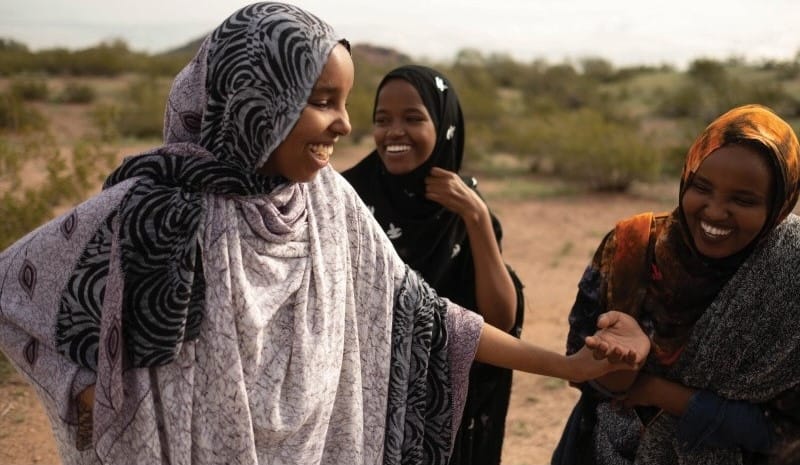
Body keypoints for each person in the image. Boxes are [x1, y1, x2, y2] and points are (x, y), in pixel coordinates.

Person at [0, 3, 649, 465]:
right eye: (321, 100)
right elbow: (13, 291)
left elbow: (427, 318)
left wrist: (563, 364)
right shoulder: (153, 209)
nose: (343, 125)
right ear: (257, 99)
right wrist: (74, 383)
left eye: (345, 103)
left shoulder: (326, 202)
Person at [552, 104, 800, 465]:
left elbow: (788, 434)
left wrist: (664, 394)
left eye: (743, 200)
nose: (714, 211)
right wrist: (621, 364)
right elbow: (586, 375)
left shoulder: (790, 272)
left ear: (777, 206)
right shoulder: (632, 249)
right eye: (702, 187)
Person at [341, 65, 522, 465]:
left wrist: (476, 218)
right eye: (382, 120)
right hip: (360, 407)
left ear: (444, 126)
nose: (394, 133)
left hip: (445, 411)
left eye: (413, 118)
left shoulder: (463, 206)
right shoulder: (348, 199)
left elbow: (500, 319)